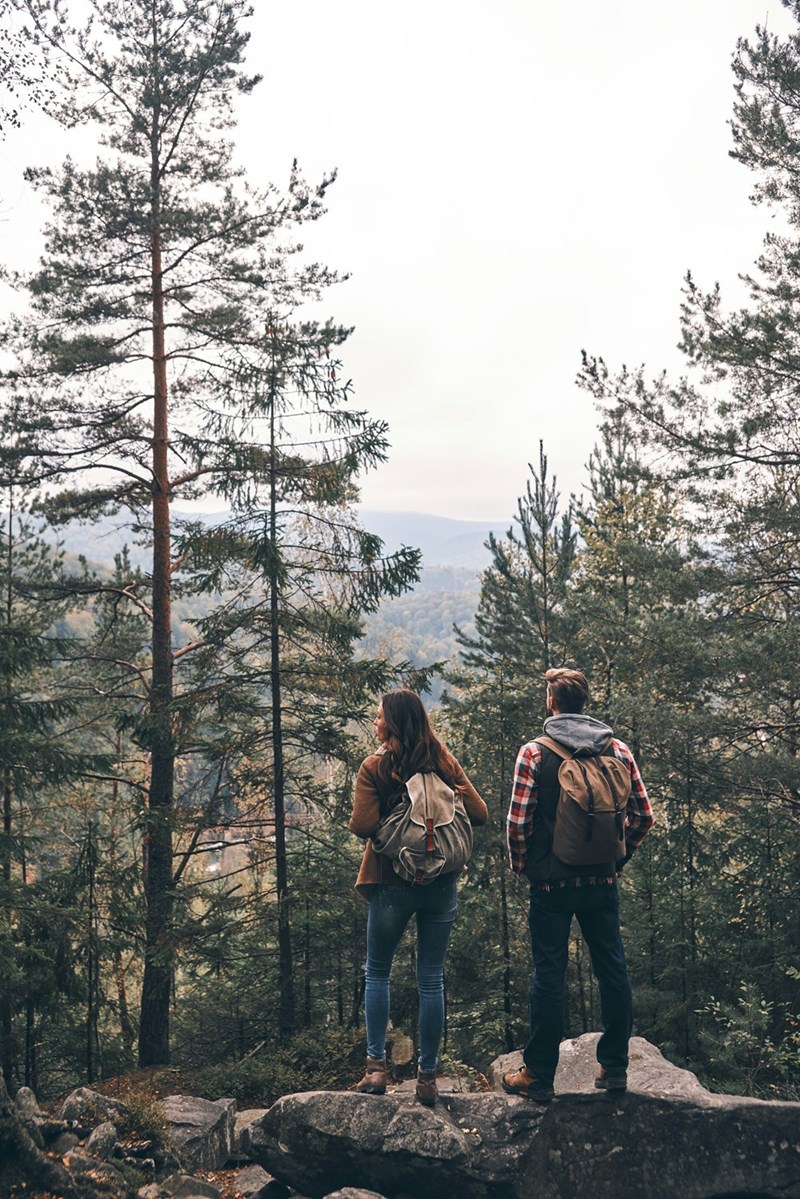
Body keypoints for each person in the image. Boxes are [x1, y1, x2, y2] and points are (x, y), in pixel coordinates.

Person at [503, 667, 653, 1103]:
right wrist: (616, 860)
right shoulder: (618, 750)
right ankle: (615, 1068)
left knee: (549, 973)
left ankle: (539, 1075)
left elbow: (517, 824)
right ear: (583, 702)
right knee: (612, 967)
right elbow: (643, 817)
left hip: (550, 885)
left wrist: (524, 866)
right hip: (600, 880)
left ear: (551, 702)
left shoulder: (534, 753)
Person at [349, 688, 488, 1106]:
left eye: (377, 717)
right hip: (440, 886)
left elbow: (361, 825)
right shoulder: (442, 761)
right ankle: (427, 1078)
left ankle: (376, 1069)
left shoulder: (375, 766)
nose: (374, 723)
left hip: (392, 883)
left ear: (391, 723)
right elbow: (479, 814)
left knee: (378, 972)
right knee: (431, 979)